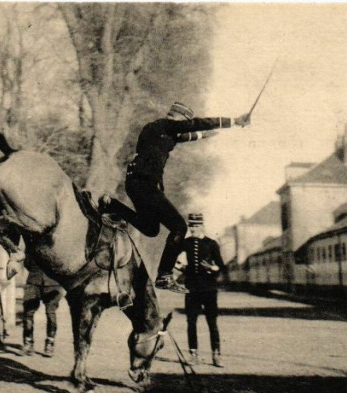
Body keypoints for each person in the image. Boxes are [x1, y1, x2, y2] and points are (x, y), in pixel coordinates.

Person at [100, 102, 249, 293]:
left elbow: (182, 136)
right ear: (179, 118)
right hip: (145, 184)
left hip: (137, 184)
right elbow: (192, 126)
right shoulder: (163, 125)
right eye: (185, 122)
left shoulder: (158, 130)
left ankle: (111, 204)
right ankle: (164, 275)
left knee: (150, 228)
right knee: (179, 226)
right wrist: (234, 121)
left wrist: (204, 135)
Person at [177, 213, 225, 367]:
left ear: (202, 226)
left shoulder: (211, 244)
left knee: (212, 322)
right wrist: (182, 267)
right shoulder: (185, 243)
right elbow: (174, 261)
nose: (193, 229)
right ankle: (193, 355)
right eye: (191, 226)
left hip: (209, 289)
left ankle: (216, 355)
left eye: (196, 226)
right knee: (191, 322)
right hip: (191, 289)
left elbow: (221, 266)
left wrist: (211, 268)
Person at [21, 259, 64, 357]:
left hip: (52, 283)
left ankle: (50, 344)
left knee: (51, 314)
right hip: (33, 280)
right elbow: (27, 263)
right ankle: (28, 344)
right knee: (28, 312)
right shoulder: (32, 245)